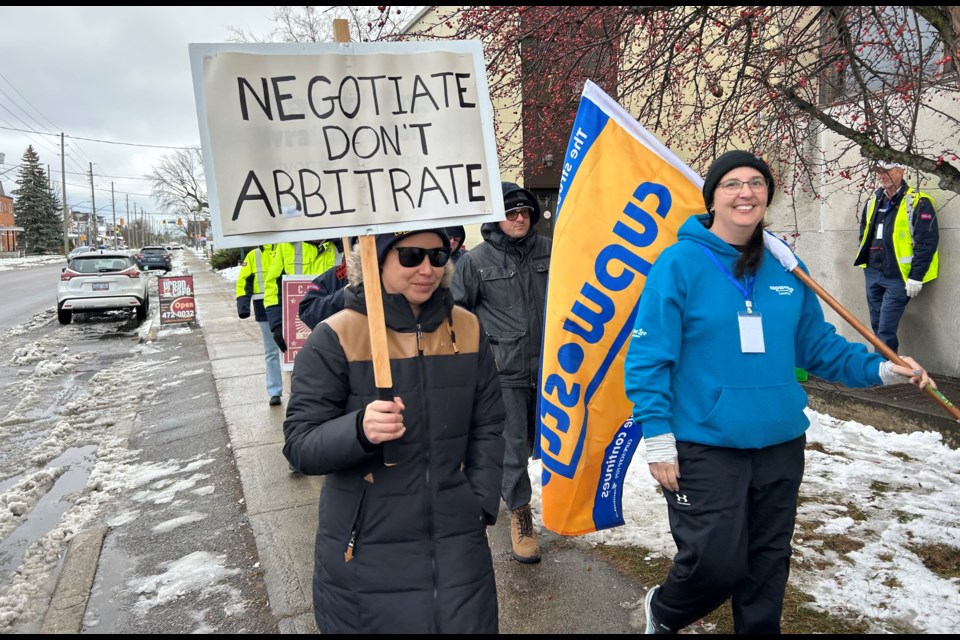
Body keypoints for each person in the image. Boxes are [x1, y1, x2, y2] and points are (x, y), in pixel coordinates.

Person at [623, 150, 936, 634]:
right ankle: (664, 611)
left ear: (767, 194)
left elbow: (820, 349)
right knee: (716, 564)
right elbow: (649, 357)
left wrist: (885, 370)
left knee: (767, 568)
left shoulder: (785, 265)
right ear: (713, 196)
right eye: (731, 183)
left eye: (756, 183)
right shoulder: (679, 263)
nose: (745, 192)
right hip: (706, 442)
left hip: (779, 441)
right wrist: (658, 436)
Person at [283, 228, 506, 633]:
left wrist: (480, 502)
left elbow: (488, 425)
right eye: (410, 257)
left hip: (458, 545)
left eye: (438, 257)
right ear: (375, 259)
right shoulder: (336, 336)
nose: (427, 269)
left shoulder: (468, 329)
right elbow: (300, 444)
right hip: (367, 550)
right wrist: (359, 429)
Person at [451, 182, 552, 564]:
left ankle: (563, 506)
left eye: (526, 212)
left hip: (551, 369)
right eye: (512, 212)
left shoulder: (550, 251)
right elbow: (457, 318)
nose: (520, 218)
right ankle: (521, 516)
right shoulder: (474, 261)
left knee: (550, 444)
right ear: (496, 217)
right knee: (513, 449)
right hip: (504, 371)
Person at [853, 160, 939, 354]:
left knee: (885, 329)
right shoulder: (874, 200)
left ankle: (882, 371)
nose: (882, 175)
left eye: (887, 171)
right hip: (873, 272)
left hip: (898, 276)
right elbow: (865, 231)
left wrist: (916, 276)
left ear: (902, 170)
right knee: (876, 324)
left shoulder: (918, 201)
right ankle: (889, 370)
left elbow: (927, 242)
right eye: (879, 171)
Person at [263, 239, 340, 352]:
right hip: (296, 332)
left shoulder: (343, 245)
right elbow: (273, 286)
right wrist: (277, 324)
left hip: (336, 328)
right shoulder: (286, 245)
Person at [235, 243, 283, 406]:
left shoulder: (286, 248)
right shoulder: (253, 256)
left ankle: (297, 390)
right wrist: (243, 306)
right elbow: (243, 281)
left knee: (294, 351)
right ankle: (275, 391)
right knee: (271, 352)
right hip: (263, 307)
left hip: (286, 302)